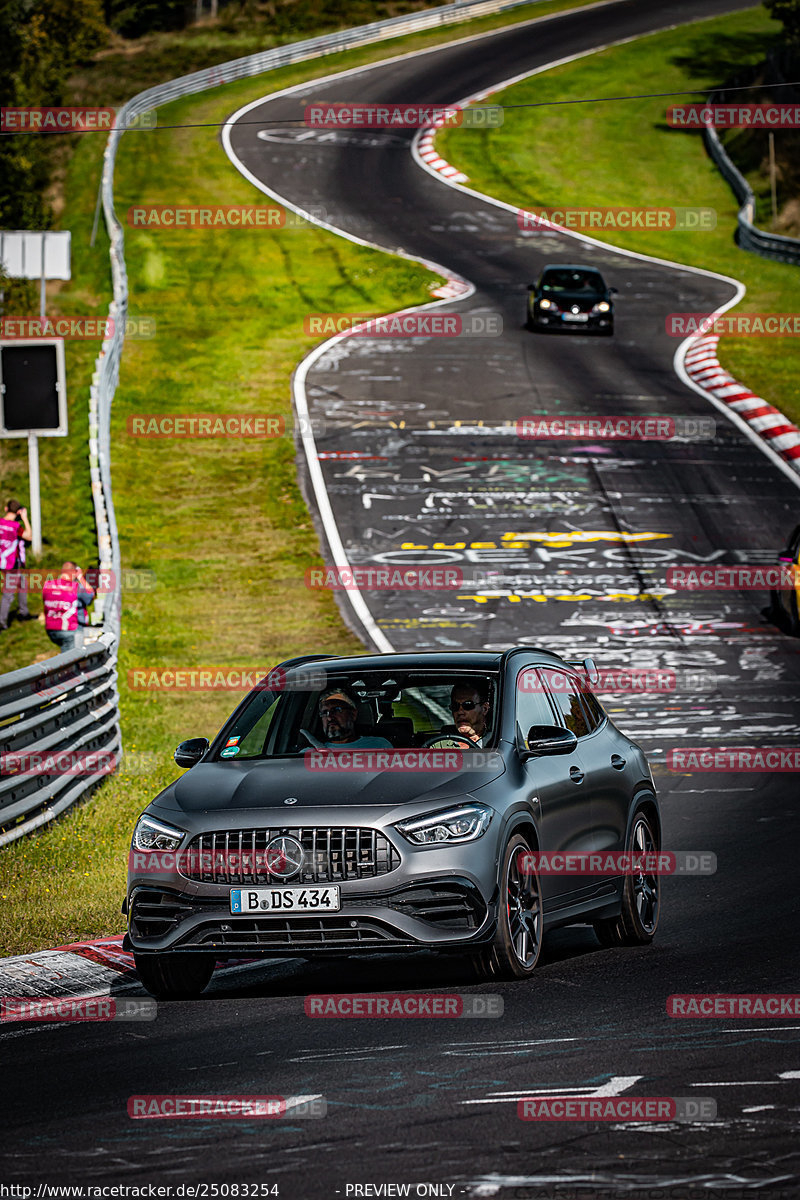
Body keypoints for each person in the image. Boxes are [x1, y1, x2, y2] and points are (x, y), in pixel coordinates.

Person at [42, 562, 96, 651]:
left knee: (65, 653)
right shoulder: (75, 587)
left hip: (51, 629)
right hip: (70, 629)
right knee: (71, 659)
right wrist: (81, 578)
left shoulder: (48, 585)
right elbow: (91, 595)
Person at [0, 499, 35, 630]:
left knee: (22, 584)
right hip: (11, 564)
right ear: (19, 512)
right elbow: (29, 536)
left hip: (2, 561)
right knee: (8, 593)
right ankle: (2, 622)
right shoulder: (15, 527)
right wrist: (25, 519)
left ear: (5, 509)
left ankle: (23, 612)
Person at [318, 689, 392, 749]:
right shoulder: (311, 753)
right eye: (324, 712)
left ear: (353, 714)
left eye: (337, 710)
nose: (329, 717)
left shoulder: (380, 746)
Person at [448, 679, 492, 746]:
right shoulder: (439, 746)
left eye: (467, 705)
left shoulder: (496, 744)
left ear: (485, 709)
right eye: (455, 706)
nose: (460, 712)